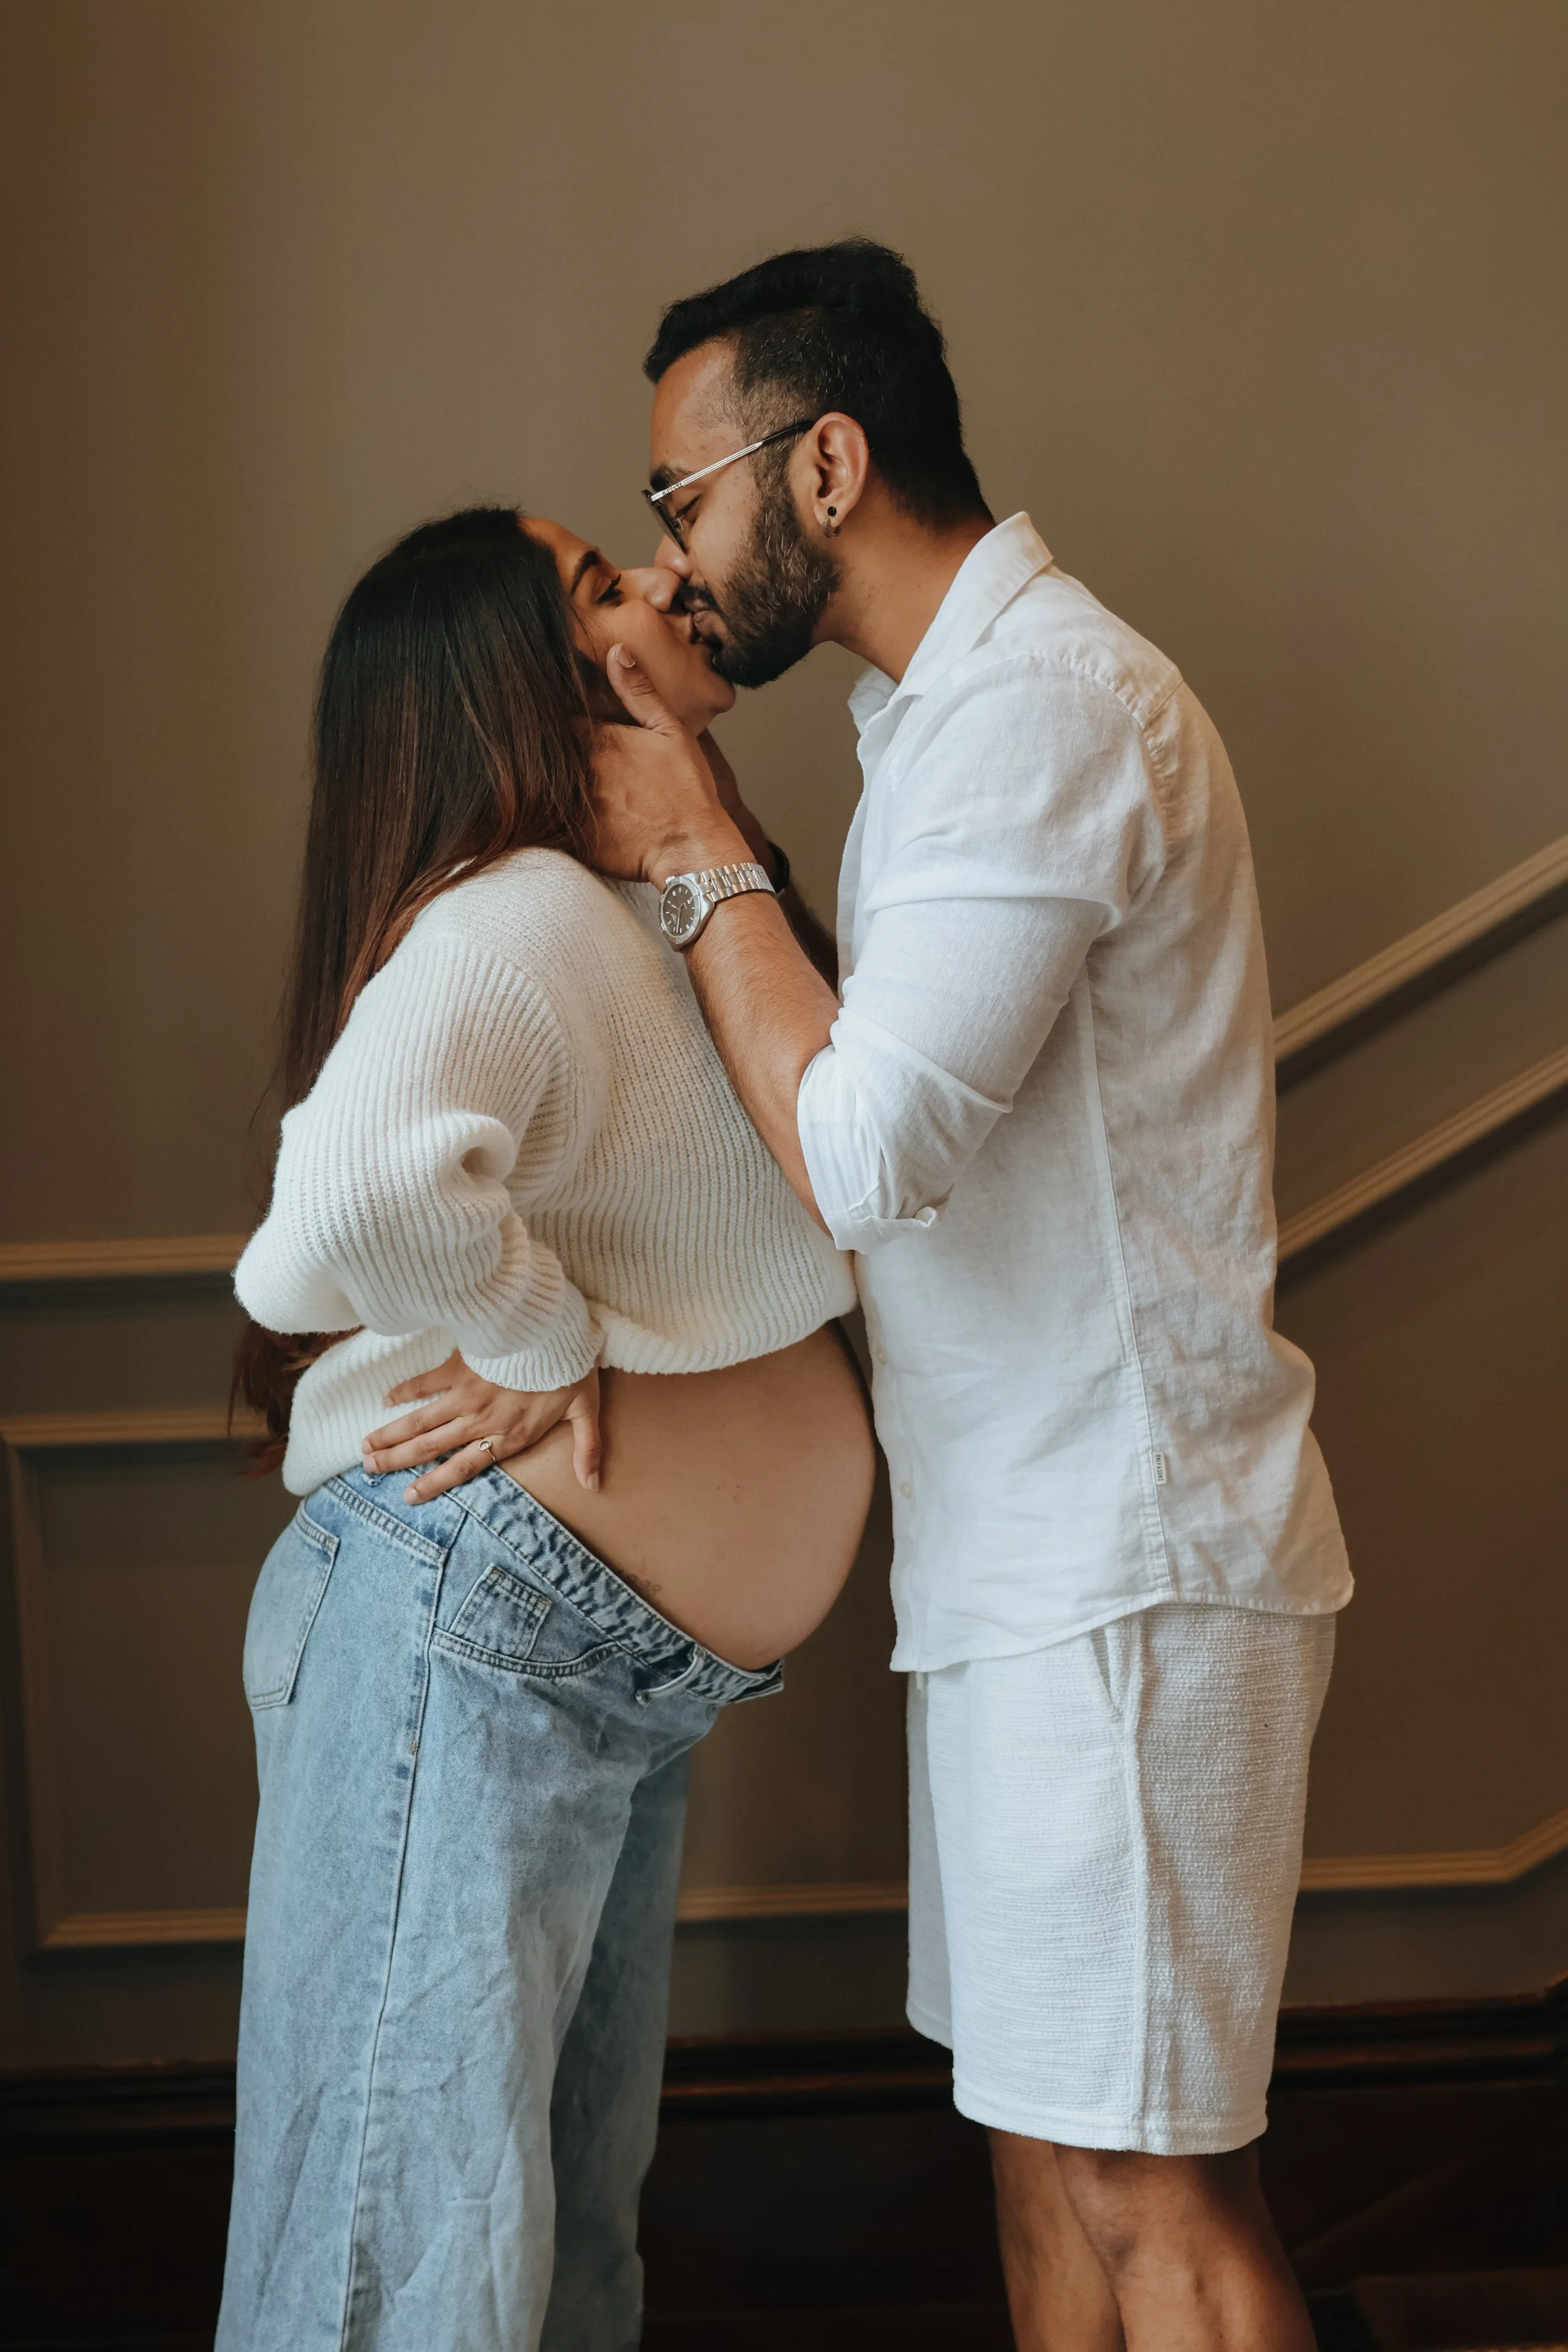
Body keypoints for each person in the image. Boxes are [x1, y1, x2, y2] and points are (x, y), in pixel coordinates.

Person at [590, 240, 1353, 2351]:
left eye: (685, 490)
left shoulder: (1041, 706)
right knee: (1039, 2159)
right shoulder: (938, 718)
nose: (673, 545)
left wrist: (691, 841)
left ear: (821, 461)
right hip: (1025, 1562)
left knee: (1144, 2191)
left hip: (1123, 1562)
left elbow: (858, 1152)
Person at [216, 505, 874, 2352]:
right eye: (601, 583)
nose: (665, 583)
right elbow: (330, 1211)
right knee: (395, 2267)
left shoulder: (649, 913)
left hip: (576, 1663)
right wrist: (537, 1325)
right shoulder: (511, 916)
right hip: (465, 1635)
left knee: (551, 2253)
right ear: (517, 678)